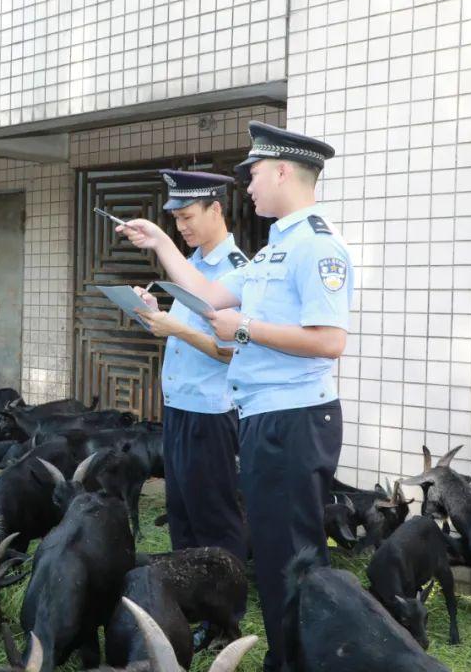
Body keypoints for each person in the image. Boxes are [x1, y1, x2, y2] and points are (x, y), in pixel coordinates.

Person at [118, 122, 351, 672]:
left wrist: (242, 328)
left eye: (252, 175)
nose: (246, 186)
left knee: (294, 558)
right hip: (266, 419)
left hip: (296, 420)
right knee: (272, 557)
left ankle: (302, 660)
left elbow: (330, 341)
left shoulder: (317, 246)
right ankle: (285, 657)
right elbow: (203, 296)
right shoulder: (278, 248)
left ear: (282, 171)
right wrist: (159, 242)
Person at [133, 169, 250, 640]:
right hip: (179, 409)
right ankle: (191, 608)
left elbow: (232, 350)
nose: (181, 227)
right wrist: (154, 317)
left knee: (214, 521)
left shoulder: (238, 270)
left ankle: (226, 621)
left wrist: (176, 328)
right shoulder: (193, 266)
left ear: (216, 209)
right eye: (175, 220)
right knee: (181, 515)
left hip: (211, 414)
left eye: (187, 216)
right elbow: (183, 334)